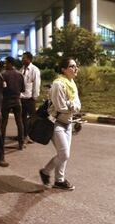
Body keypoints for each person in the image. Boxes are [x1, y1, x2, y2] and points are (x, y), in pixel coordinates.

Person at [39, 57, 81, 191]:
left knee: (64, 154)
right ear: (63, 69)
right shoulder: (58, 84)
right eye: (72, 66)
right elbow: (61, 107)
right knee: (64, 154)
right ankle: (45, 171)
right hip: (56, 122)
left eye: (76, 66)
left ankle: (59, 180)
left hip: (68, 122)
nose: (75, 69)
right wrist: (72, 106)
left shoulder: (71, 82)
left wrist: (72, 105)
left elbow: (78, 104)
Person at [0, 56, 24, 150]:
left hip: (6, 101)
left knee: (3, 123)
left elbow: (1, 89)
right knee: (19, 122)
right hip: (17, 100)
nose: (5, 65)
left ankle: (1, 143)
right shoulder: (19, 74)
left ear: (10, 63)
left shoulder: (3, 75)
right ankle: (21, 143)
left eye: (6, 63)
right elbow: (23, 89)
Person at [20, 52, 41, 144]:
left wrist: (35, 96)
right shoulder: (21, 70)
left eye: (24, 58)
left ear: (29, 59)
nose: (22, 60)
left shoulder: (34, 70)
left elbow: (36, 84)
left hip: (30, 98)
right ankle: (25, 135)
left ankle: (32, 135)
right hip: (21, 98)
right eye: (22, 58)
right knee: (22, 118)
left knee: (33, 118)